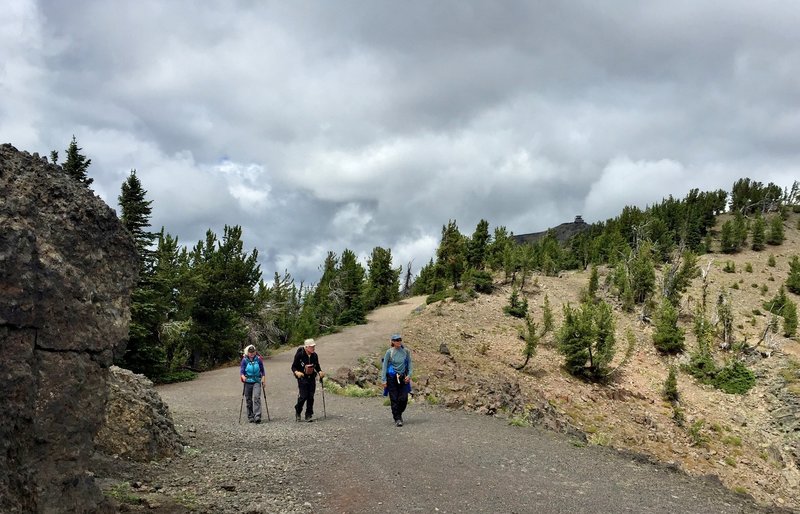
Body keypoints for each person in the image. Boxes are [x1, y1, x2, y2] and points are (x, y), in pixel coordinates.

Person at [381, 333, 413, 427]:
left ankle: (399, 413)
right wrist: (383, 380)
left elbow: (410, 364)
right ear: (393, 342)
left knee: (403, 399)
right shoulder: (389, 352)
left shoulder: (406, 351)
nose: (399, 341)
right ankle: (397, 418)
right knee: (394, 398)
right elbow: (384, 366)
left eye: (400, 340)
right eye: (396, 340)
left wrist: (409, 375)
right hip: (392, 377)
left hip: (403, 377)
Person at [291, 338, 325, 422]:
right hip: (302, 377)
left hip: (311, 377)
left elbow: (317, 366)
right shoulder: (300, 355)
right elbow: (293, 366)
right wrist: (297, 372)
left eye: (314, 346)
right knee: (303, 396)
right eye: (311, 346)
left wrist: (320, 371)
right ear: (306, 347)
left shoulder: (314, 355)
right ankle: (298, 410)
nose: (313, 348)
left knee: (311, 396)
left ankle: (308, 414)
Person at [239, 344, 266, 423]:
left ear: (255, 352)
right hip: (248, 382)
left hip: (257, 380)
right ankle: (250, 416)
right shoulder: (244, 360)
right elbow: (242, 370)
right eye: (250, 352)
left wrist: (263, 379)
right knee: (248, 399)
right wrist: (243, 376)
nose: (252, 354)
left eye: (253, 352)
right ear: (248, 352)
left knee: (257, 397)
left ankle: (257, 416)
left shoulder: (258, 359)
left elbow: (262, 370)